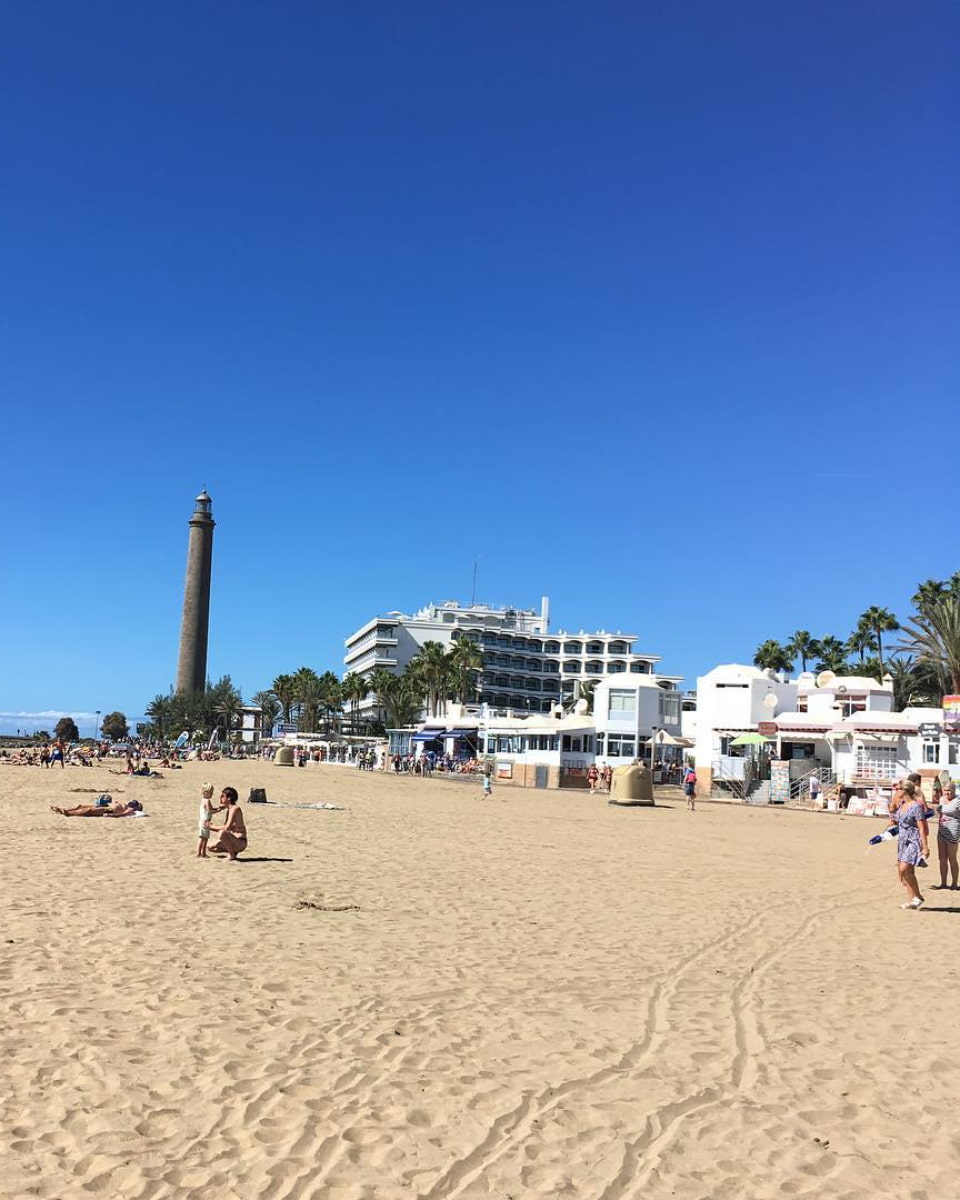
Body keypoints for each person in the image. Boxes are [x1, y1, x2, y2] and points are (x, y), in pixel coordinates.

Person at [890, 780, 929, 910]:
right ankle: (911, 900)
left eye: (898, 789)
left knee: (903, 868)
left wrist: (925, 847)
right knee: (907, 872)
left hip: (912, 841)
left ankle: (918, 896)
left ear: (904, 791)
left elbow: (922, 828)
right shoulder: (902, 805)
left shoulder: (916, 806)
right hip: (902, 841)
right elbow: (897, 823)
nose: (896, 792)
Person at [207, 787, 247, 860]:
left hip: (240, 842)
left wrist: (211, 827)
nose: (220, 798)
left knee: (221, 833)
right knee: (210, 847)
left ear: (229, 798)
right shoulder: (229, 810)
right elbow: (229, 828)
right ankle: (233, 851)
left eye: (222, 796)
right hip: (233, 840)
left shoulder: (235, 809)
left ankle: (232, 855)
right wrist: (219, 809)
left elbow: (226, 828)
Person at [935, 781, 960, 890]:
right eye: (945, 790)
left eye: (949, 790)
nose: (947, 792)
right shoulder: (941, 799)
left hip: (953, 830)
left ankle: (954, 884)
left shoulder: (957, 801)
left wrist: (940, 808)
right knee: (942, 858)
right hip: (942, 829)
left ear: (954, 790)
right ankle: (943, 883)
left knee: (952, 858)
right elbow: (939, 812)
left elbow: (945, 810)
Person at [51, 799, 143, 817]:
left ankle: (69, 813)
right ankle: (65, 809)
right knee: (81, 806)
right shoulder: (125, 804)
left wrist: (111, 815)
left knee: (90, 811)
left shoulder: (131, 809)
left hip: (110, 810)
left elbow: (123, 814)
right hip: (107, 806)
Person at [196, 781, 218, 859]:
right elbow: (210, 810)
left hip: (202, 820)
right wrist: (218, 810)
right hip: (205, 821)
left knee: (201, 838)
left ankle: (199, 852)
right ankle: (203, 853)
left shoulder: (203, 800)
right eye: (210, 792)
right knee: (205, 839)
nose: (212, 794)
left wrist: (216, 809)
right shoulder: (207, 801)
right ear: (205, 792)